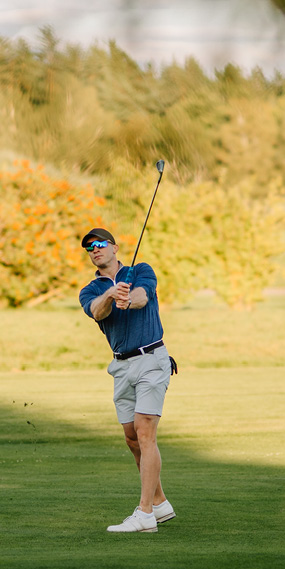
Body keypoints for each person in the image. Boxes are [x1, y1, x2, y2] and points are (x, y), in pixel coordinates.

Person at [78, 227, 175, 533]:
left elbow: (144, 296)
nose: (95, 249)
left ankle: (145, 514)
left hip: (151, 359)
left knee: (145, 432)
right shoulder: (90, 290)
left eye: (101, 243)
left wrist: (127, 298)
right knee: (132, 438)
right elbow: (96, 312)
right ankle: (160, 503)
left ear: (115, 247)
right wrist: (110, 293)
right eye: (90, 247)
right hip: (120, 367)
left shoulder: (141, 270)